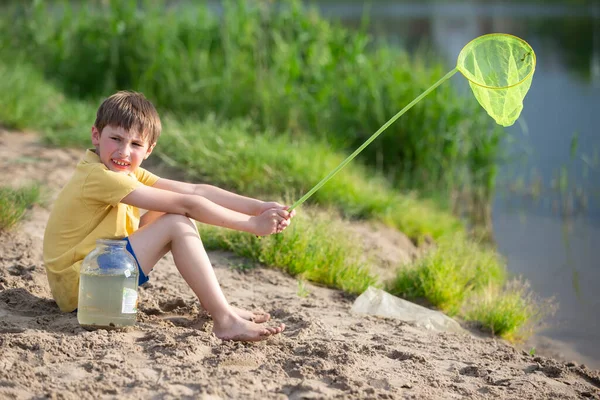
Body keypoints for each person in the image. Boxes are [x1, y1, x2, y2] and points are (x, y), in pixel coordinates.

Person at [43, 91, 295, 342]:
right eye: (116, 139)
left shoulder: (126, 172)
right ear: (96, 135)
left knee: (167, 210)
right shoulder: (99, 176)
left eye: (136, 144)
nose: (124, 152)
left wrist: (258, 207)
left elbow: (196, 189)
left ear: (149, 149)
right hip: (84, 290)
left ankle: (219, 307)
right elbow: (189, 203)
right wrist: (252, 225)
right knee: (176, 221)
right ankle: (225, 320)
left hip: (94, 279)